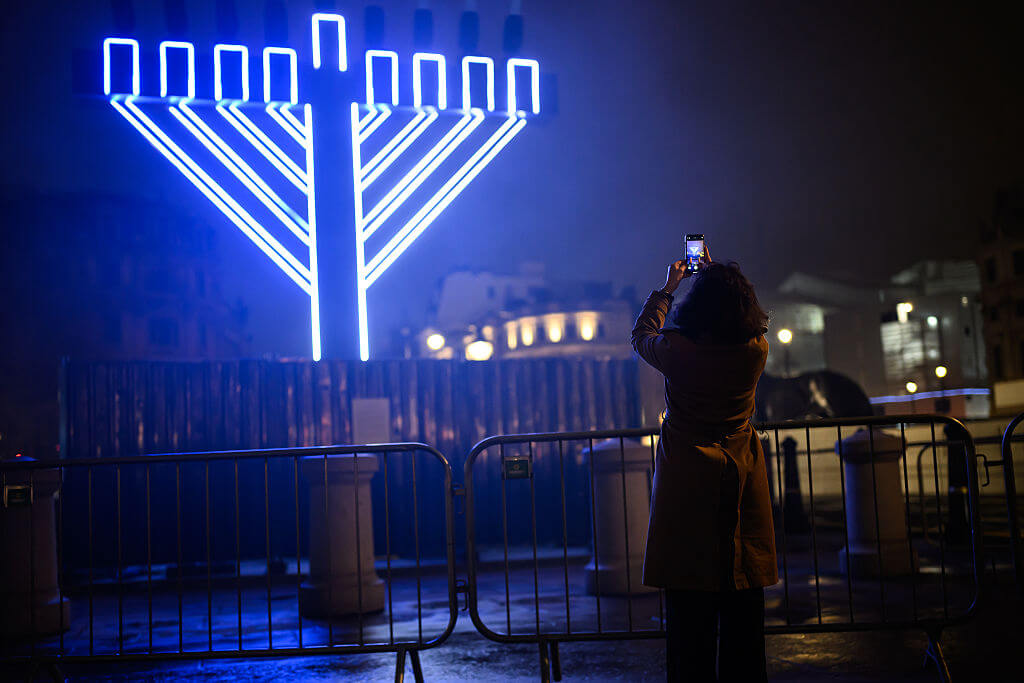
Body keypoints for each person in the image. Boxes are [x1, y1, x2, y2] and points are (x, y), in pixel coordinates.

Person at [631, 252, 778, 682]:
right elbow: (749, 321)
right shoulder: (756, 351)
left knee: (688, 621)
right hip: (740, 479)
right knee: (744, 616)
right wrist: (717, 274)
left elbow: (641, 336)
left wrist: (668, 288)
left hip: (685, 484)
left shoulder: (677, 351)